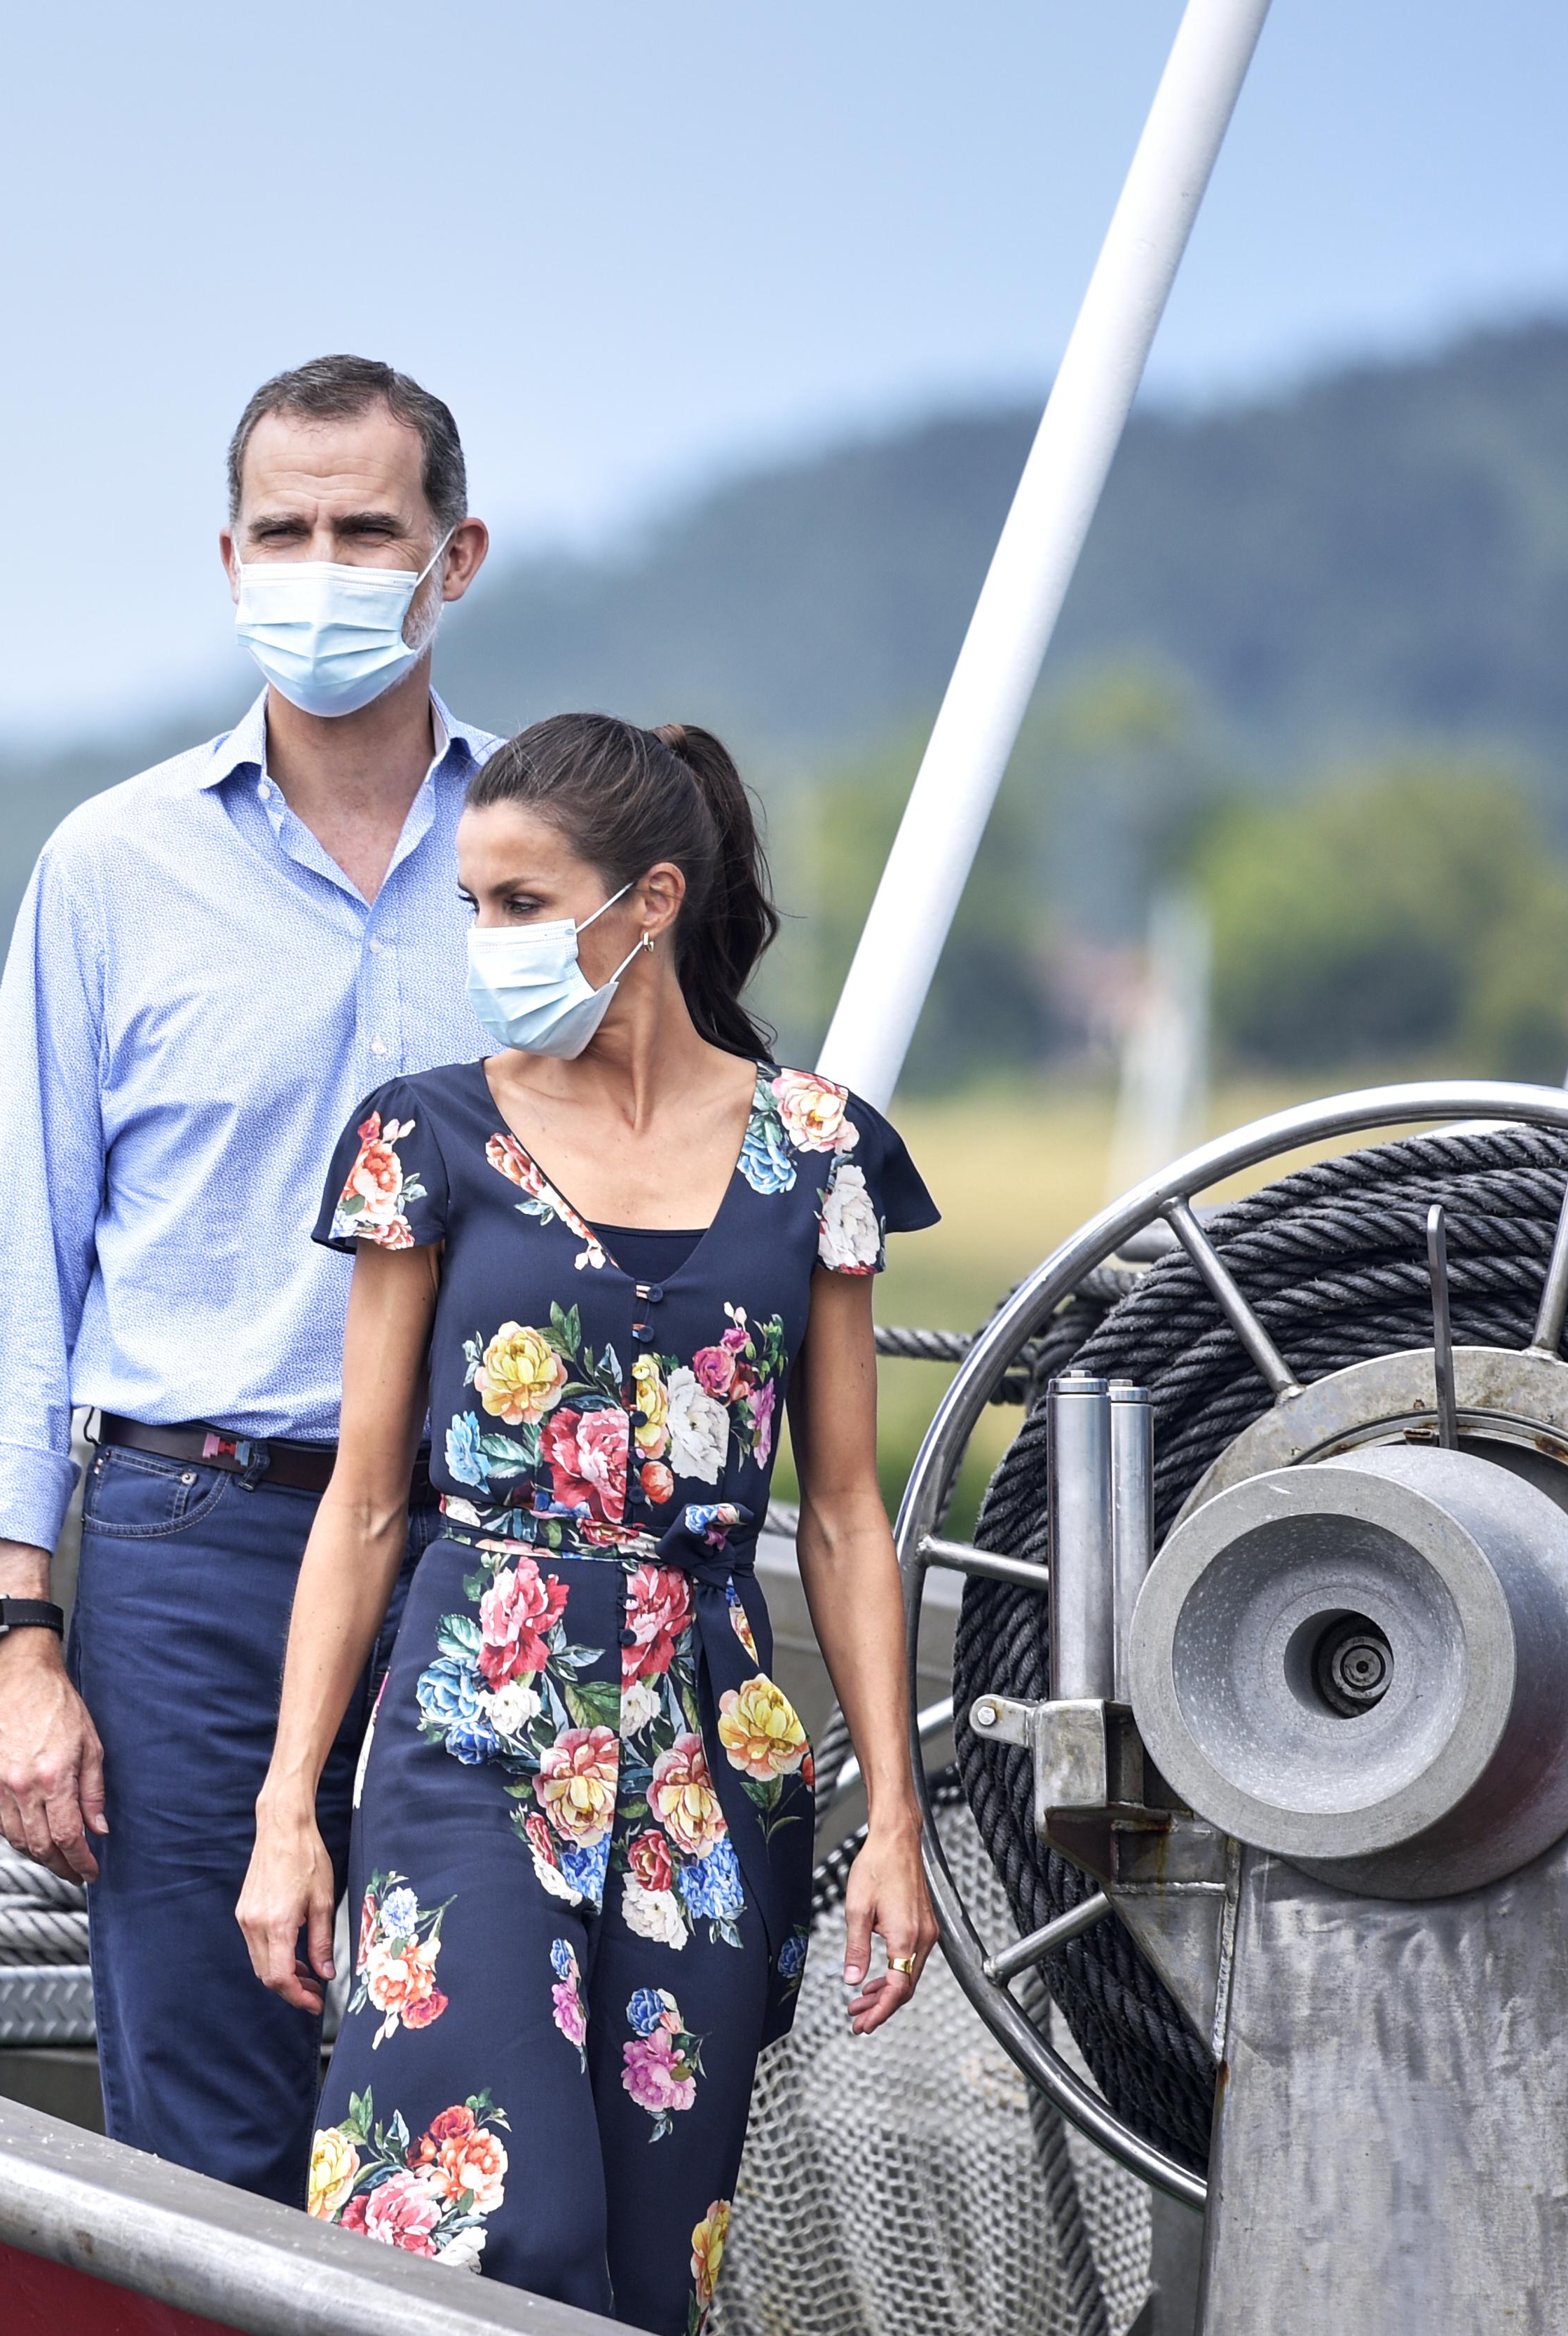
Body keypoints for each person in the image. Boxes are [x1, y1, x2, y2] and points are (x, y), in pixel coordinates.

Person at [237, 712, 943, 2326]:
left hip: (713, 1756)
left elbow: (841, 1513)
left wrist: (890, 1816)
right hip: (470, 1720)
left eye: (513, 901)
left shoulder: (816, 1152)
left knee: (643, 2264)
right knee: (475, 2217)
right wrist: (290, 1806)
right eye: (469, 901)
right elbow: (362, 1504)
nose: (478, 939)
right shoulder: (425, 1138)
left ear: (647, 902)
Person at [0, 355, 499, 2202]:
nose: (322, 567)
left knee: (471, 2106)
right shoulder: (112, 867)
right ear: (229, 555)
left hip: (482, 1554)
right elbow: (17, 1248)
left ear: (453, 557)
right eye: (287, 532)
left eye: (367, 532)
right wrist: (17, 1644)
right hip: (197, 1539)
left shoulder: (551, 869)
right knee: (204, 2120)